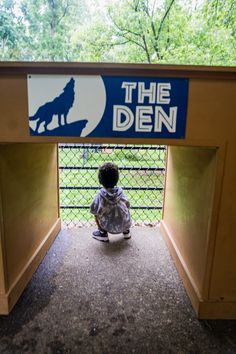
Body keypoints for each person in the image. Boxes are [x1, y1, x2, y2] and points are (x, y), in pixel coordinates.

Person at [90, 162, 131, 242]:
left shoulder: (100, 195)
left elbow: (93, 209)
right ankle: (126, 232)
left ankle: (103, 233)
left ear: (100, 180)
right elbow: (128, 205)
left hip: (107, 225)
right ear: (117, 179)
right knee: (126, 209)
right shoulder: (121, 193)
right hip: (124, 224)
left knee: (96, 214)